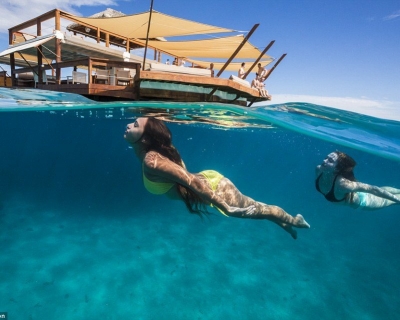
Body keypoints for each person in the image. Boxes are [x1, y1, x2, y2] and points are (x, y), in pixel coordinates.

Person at [124, 117, 310, 239]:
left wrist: (226, 207)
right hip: (209, 184)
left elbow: (191, 181)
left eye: (135, 125)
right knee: (259, 210)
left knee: (260, 209)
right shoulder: (153, 152)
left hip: (215, 188)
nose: (129, 125)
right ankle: (285, 224)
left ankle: (295, 220)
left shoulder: (152, 161)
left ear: (146, 139)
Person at [316, 151, 400, 210]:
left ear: (337, 169)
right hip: (355, 192)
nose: (324, 161)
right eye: (326, 158)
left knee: (393, 201)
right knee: (384, 190)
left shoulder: (343, 184)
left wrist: (397, 200)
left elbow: (373, 189)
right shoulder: (319, 170)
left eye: (330, 161)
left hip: (365, 201)